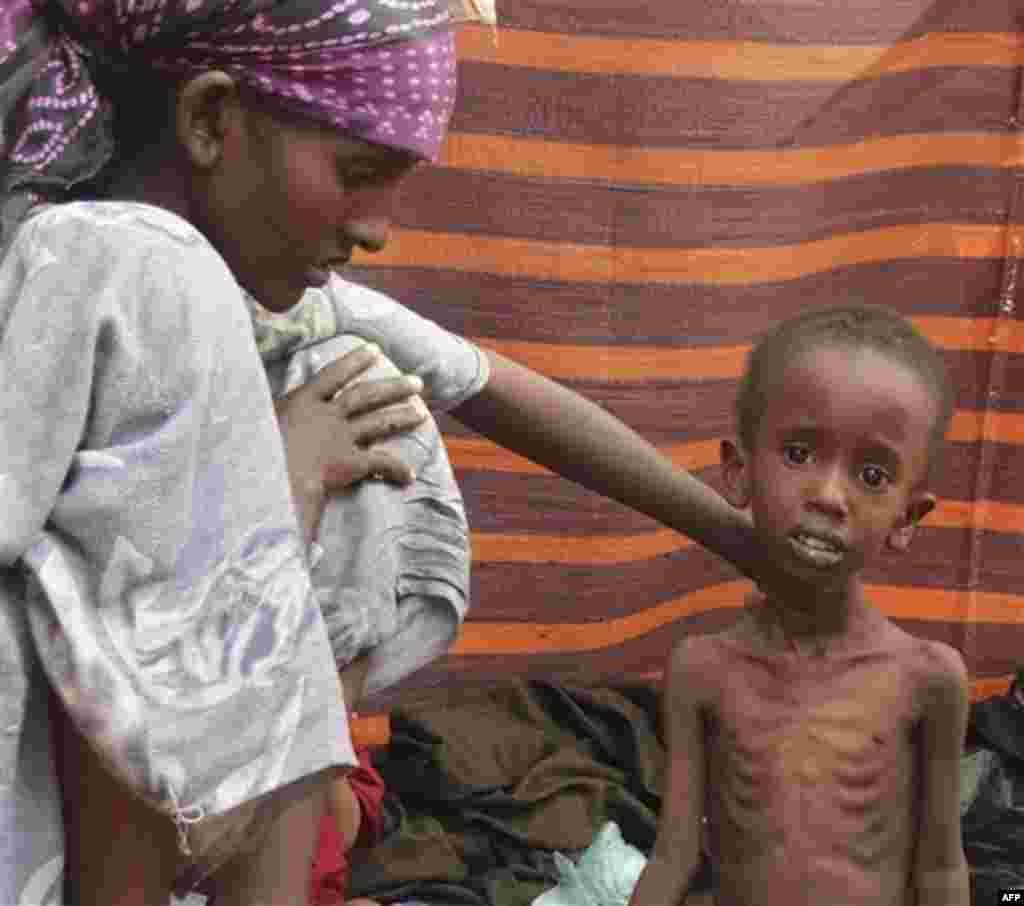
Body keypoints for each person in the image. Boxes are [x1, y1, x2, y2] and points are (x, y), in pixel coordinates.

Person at [0, 2, 771, 904]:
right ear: (211, 121)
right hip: (77, 806)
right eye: (359, 173)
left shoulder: (273, 306)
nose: (378, 231)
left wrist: (730, 534)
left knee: (363, 385)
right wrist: (277, 484)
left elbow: (494, 387)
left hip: (182, 774)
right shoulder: (118, 263)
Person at [629, 304, 970, 906]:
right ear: (738, 472)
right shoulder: (701, 670)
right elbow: (672, 856)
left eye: (871, 474)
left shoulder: (930, 680)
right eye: (798, 454)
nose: (829, 496)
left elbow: (940, 872)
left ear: (907, 519)